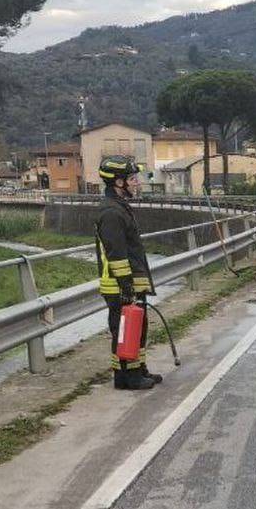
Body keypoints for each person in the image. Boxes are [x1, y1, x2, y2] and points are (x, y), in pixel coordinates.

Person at [95, 156, 158, 390]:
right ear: (118, 183)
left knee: (137, 328)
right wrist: (126, 286)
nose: (136, 183)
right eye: (132, 179)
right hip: (120, 285)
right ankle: (126, 378)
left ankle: (138, 371)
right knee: (124, 330)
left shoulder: (120, 208)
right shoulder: (111, 213)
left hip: (130, 283)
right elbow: (116, 254)